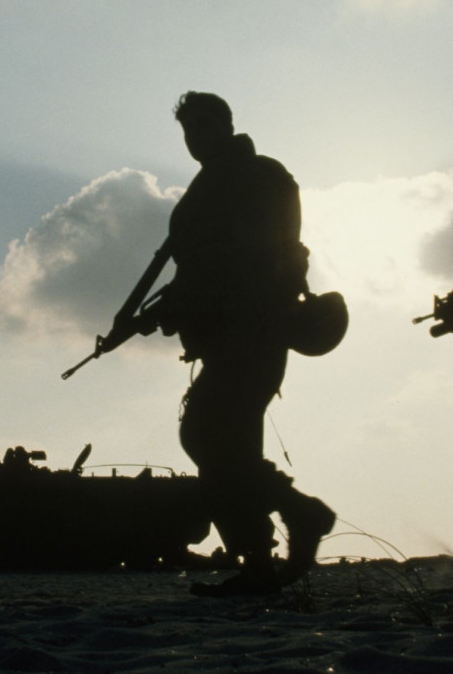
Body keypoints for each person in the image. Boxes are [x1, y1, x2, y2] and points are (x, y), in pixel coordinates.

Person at [164, 91, 335, 597]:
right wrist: (176, 305)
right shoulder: (209, 186)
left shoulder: (257, 176)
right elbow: (199, 265)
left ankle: (303, 514)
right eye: (188, 129)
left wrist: (186, 298)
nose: (196, 137)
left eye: (203, 125)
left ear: (226, 125)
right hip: (223, 334)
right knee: (226, 447)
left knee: (205, 437)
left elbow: (248, 255)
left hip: (253, 327)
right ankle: (259, 562)